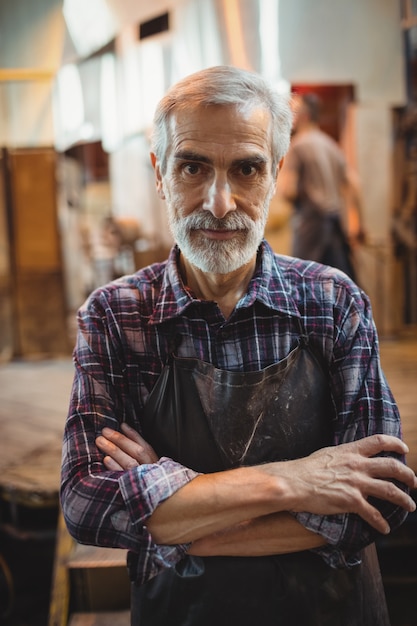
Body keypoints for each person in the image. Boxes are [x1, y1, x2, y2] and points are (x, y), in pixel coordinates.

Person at [60, 66, 417, 626]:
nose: (220, 203)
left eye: (246, 169)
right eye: (193, 166)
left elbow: (377, 502)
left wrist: (173, 515)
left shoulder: (333, 302)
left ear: (275, 173)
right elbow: (86, 502)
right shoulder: (116, 315)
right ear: (161, 173)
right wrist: (295, 481)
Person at [278, 92, 365, 281]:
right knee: (339, 285)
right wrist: (358, 223)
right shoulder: (331, 145)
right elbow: (354, 184)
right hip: (335, 225)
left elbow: (288, 191)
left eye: (293, 113)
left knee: (299, 285)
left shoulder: (298, 145)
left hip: (311, 225)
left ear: (304, 116)